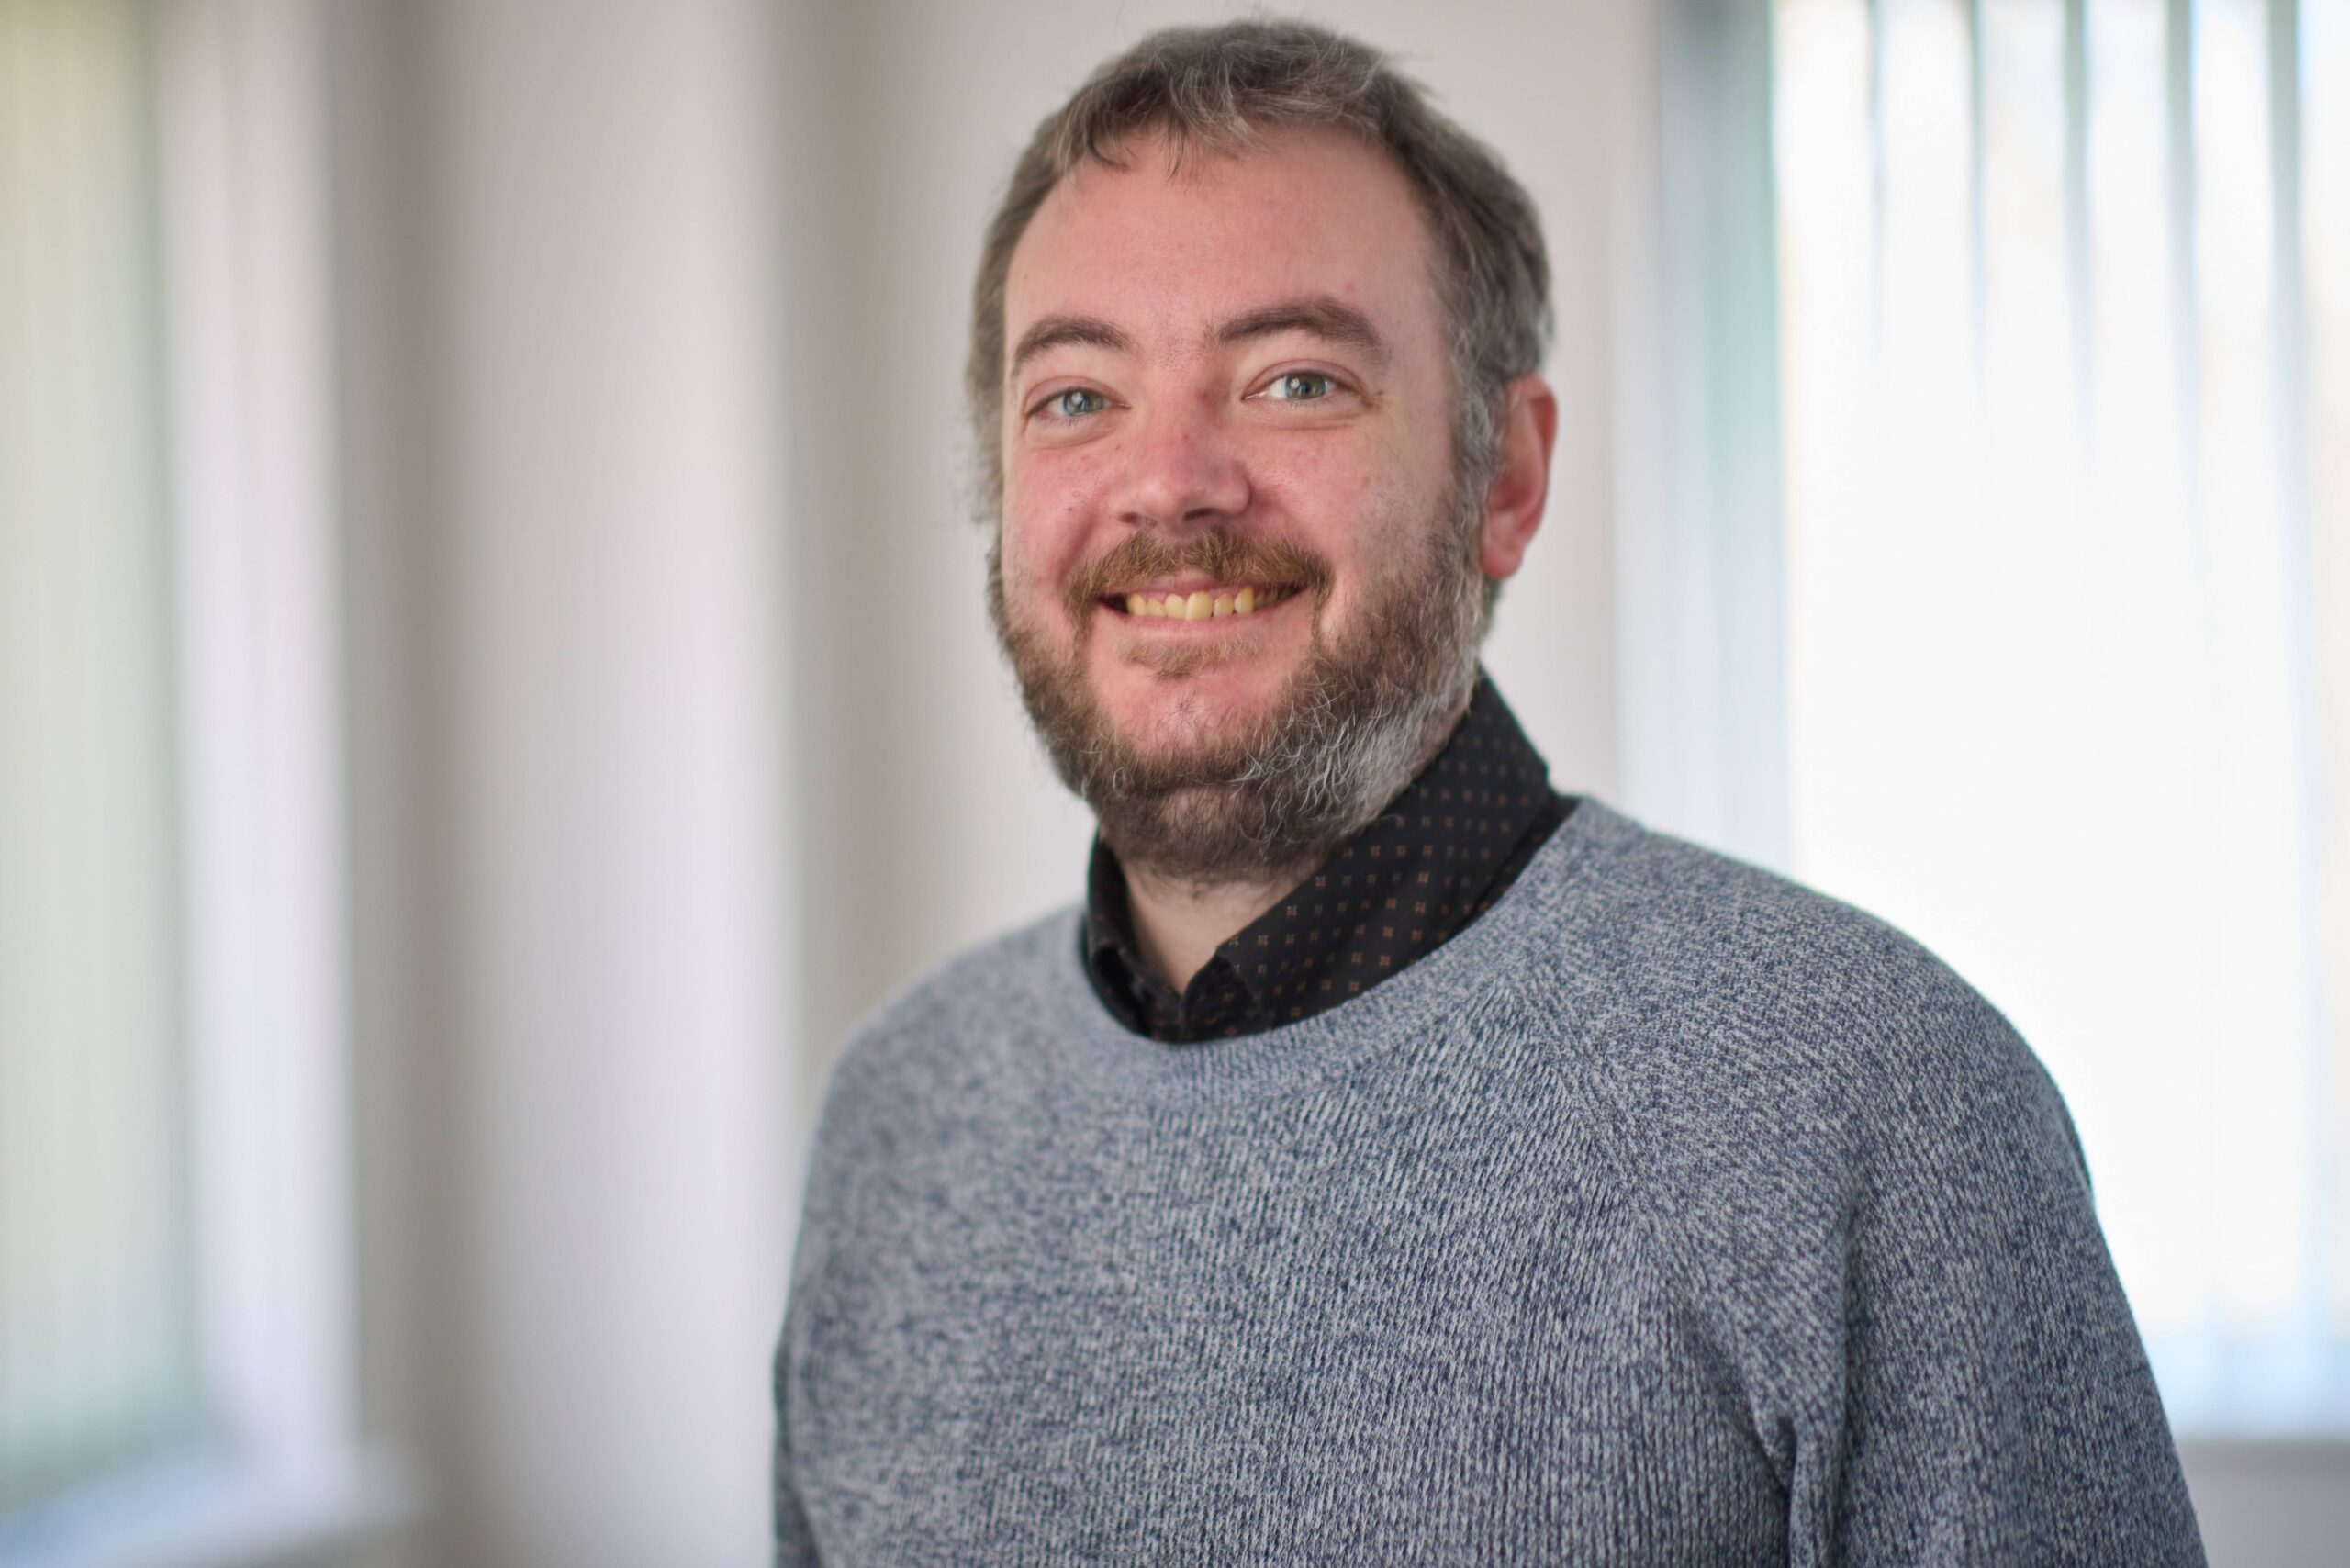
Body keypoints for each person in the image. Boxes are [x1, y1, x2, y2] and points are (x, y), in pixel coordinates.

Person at [771, 18, 2205, 1564]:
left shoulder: (1872, 1107)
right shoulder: (895, 1122)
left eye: (1296, 379)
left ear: (1503, 478)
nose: (1170, 480)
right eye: (1074, 398)